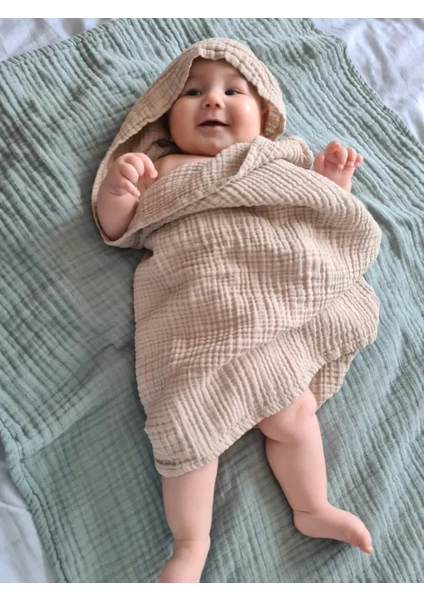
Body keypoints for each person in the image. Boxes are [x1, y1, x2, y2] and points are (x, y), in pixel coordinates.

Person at [93, 39, 379, 583]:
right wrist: (118, 186)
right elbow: (118, 227)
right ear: (163, 117)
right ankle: (189, 545)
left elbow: (314, 213)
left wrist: (332, 184)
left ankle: (313, 506)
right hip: (193, 310)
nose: (212, 101)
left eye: (233, 91)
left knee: (291, 413)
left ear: (265, 115)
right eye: (192, 93)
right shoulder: (161, 166)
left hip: (269, 305)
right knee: (187, 421)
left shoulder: (279, 158)